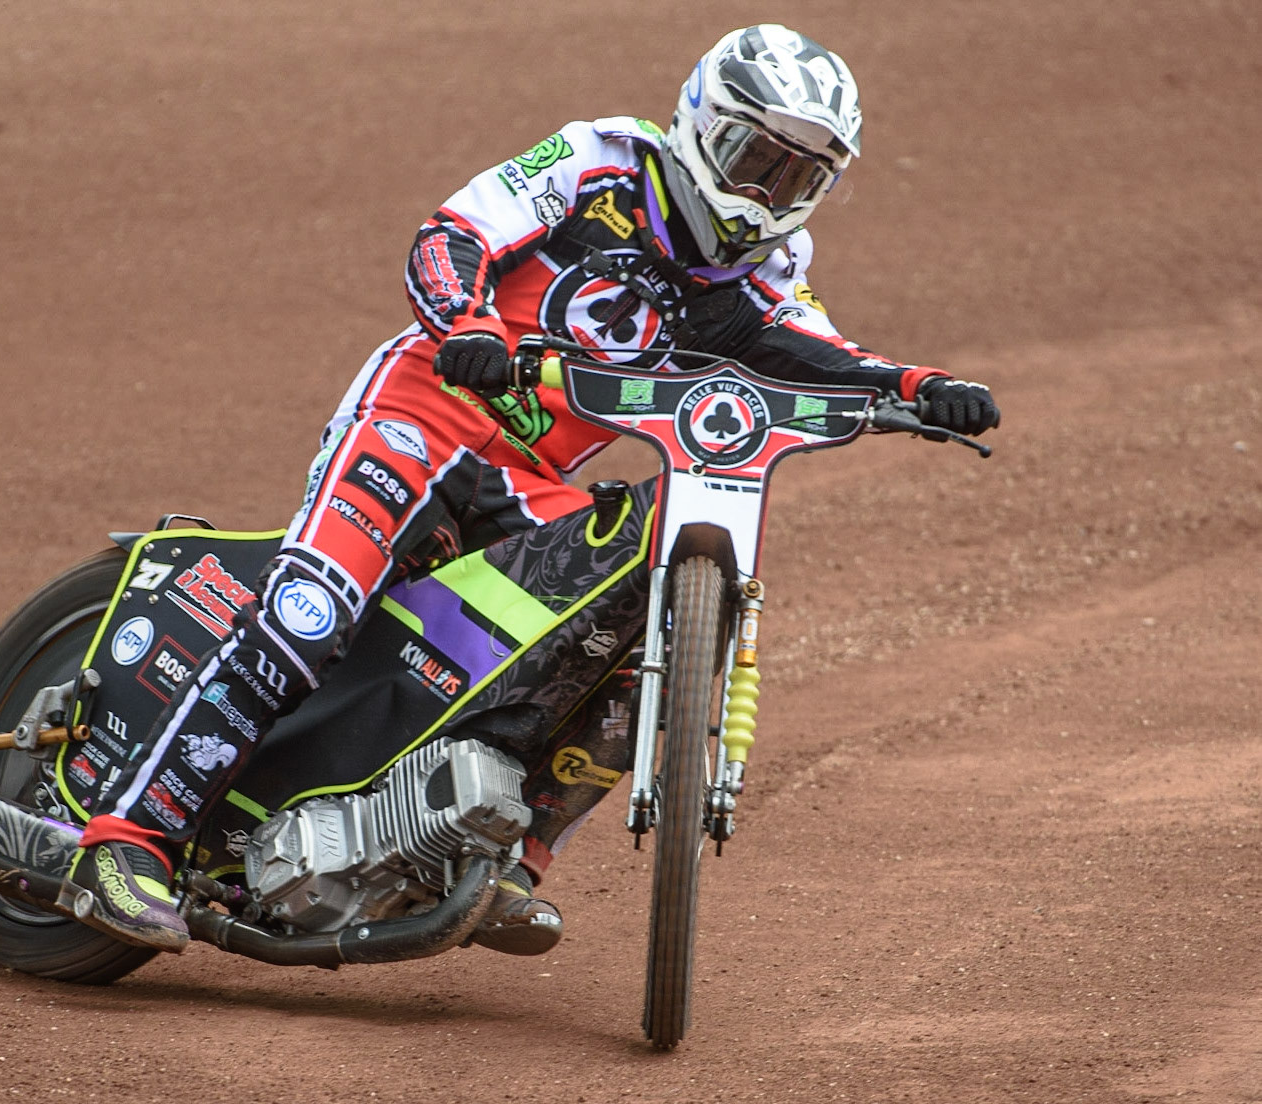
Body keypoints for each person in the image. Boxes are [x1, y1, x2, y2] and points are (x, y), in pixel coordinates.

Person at [65, 23, 1000, 954]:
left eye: (800, 178)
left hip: (528, 478)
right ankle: (124, 842)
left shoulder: (768, 268)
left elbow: (817, 349)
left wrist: (918, 387)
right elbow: (450, 236)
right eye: (757, 158)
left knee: (640, 617)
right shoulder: (597, 161)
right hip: (423, 412)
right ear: (705, 124)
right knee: (312, 606)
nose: (770, 193)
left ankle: (509, 858)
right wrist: (469, 322)